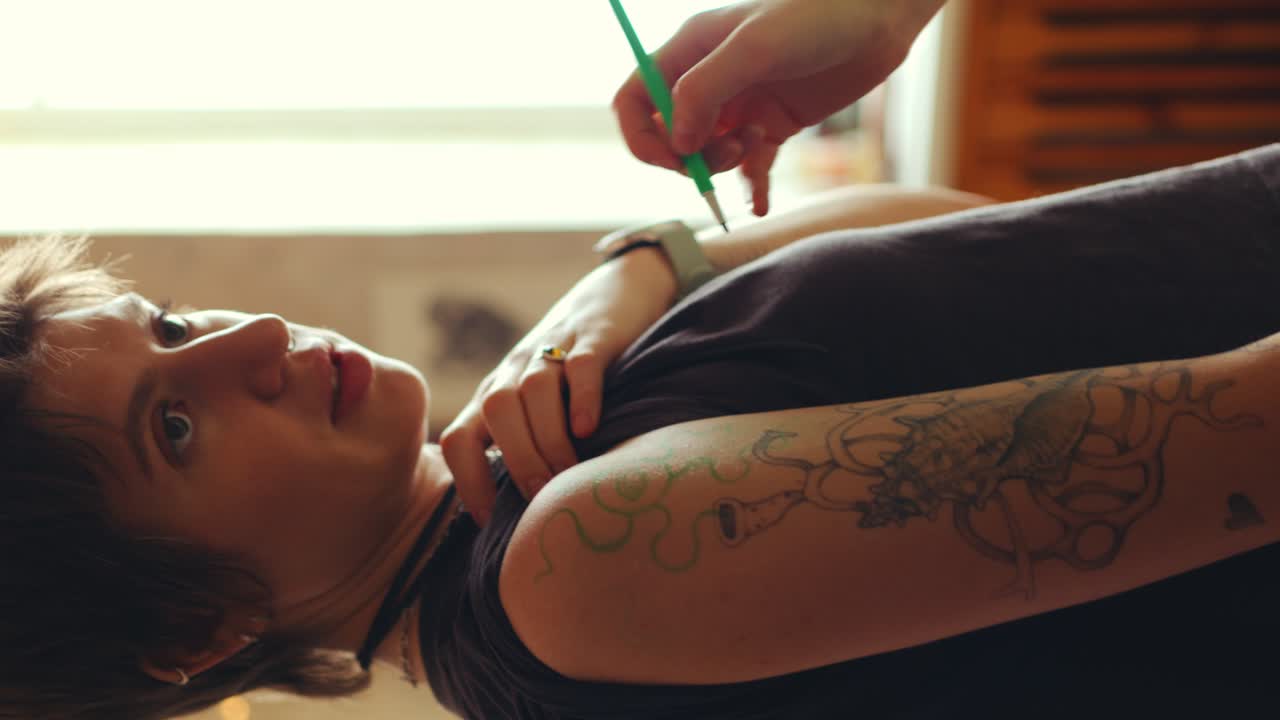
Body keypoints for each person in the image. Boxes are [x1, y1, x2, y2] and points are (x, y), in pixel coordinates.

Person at [3, 3, 1279, 720]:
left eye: (171, 322)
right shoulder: (572, 570)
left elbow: (997, 251)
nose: (258, 344)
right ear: (193, 625)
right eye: (174, 426)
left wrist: (638, 265)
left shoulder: (556, 454)